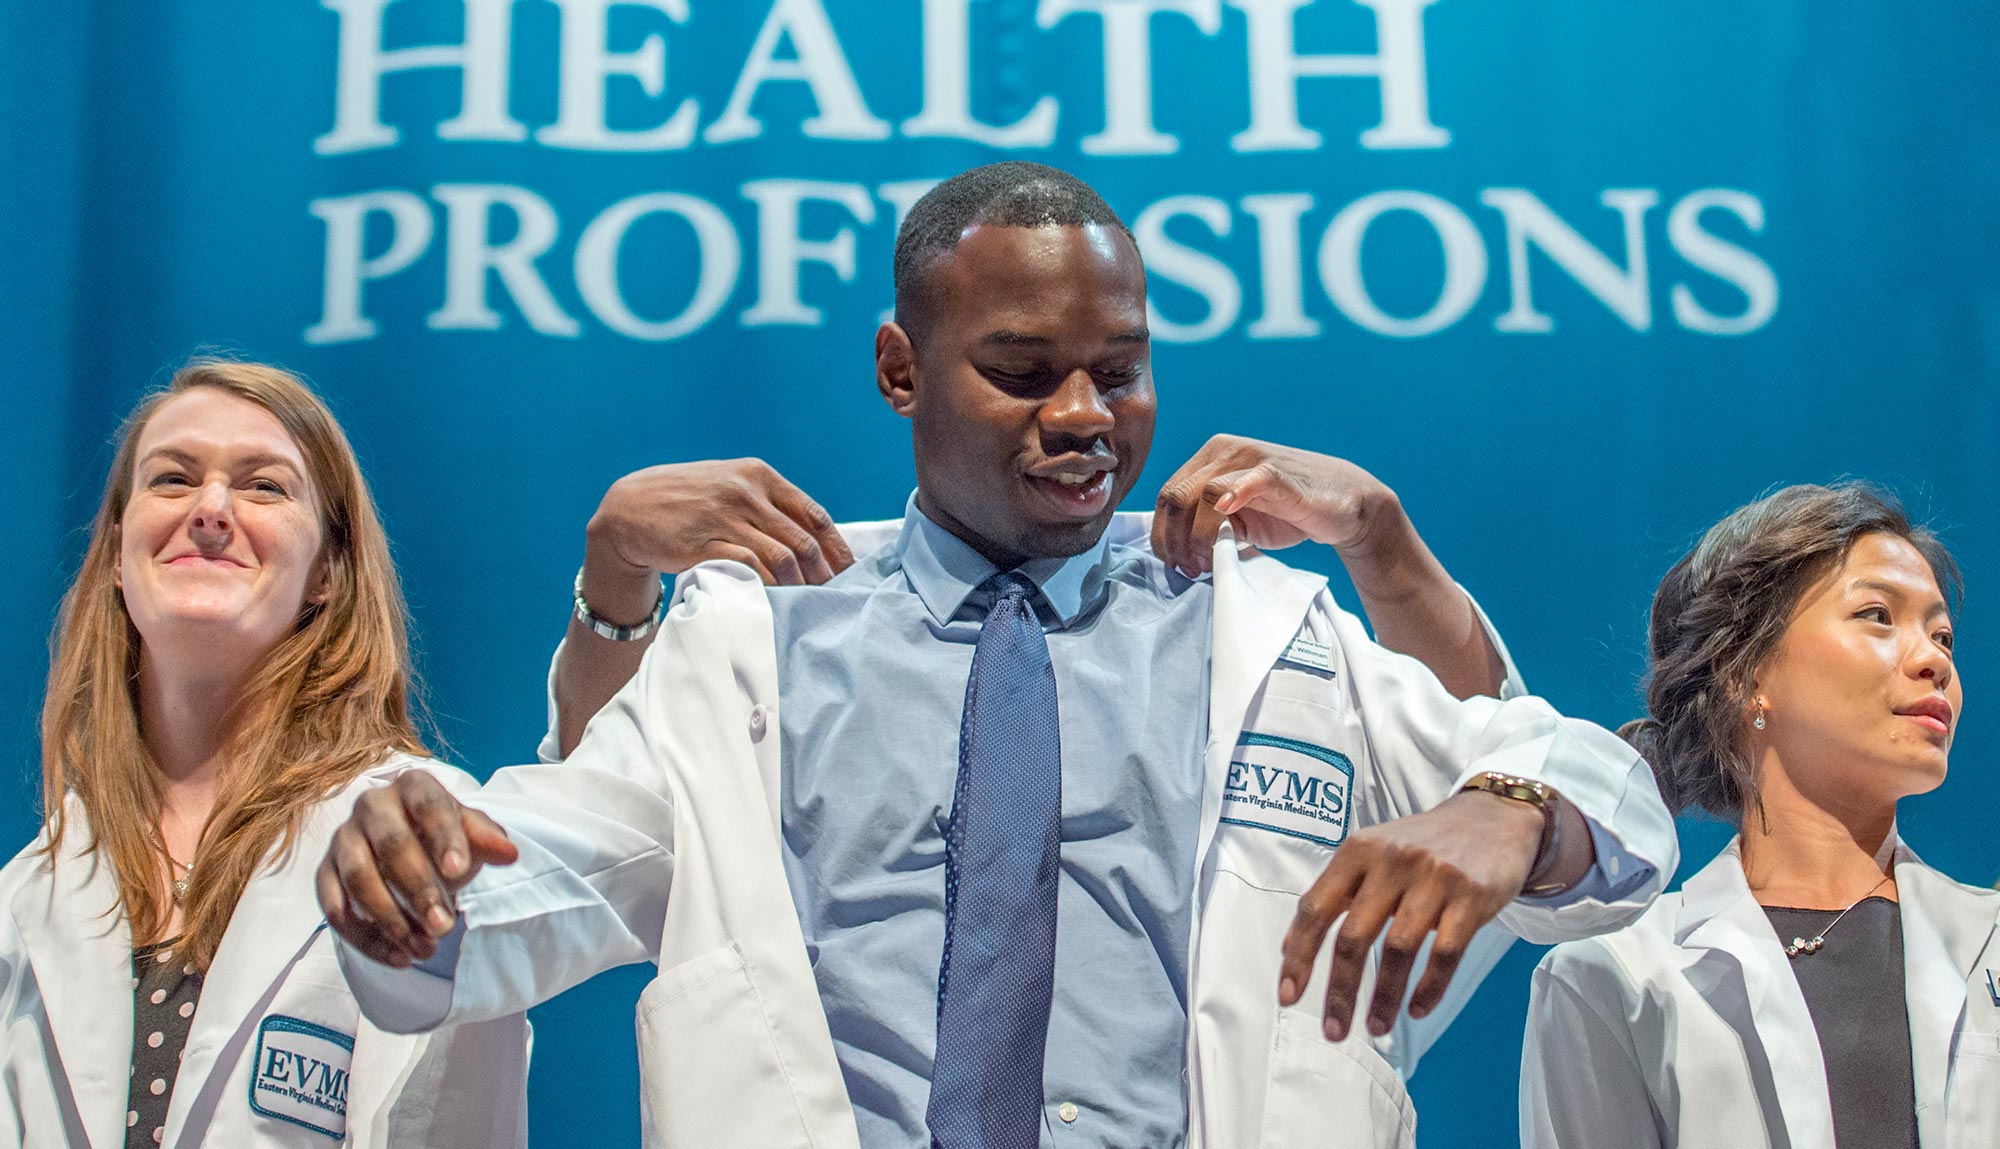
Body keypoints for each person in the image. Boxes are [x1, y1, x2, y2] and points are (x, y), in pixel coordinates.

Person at [317, 162, 1678, 1148]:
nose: (1087, 414)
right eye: (1023, 372)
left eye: (1123, 368)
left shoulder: (1257, 618)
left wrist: (1512, 811)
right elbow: (543, 867)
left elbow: (1592, 797)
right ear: (902, 370)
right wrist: (410, 870)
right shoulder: (757, 640)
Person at [0, 360, 530, 1148]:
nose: (211, 509)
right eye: (173, 479)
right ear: (117, 555)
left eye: (263, 487)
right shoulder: (23, 896)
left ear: (325, 572)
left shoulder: (413, 834)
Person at [1520, 483, 2000, 1147]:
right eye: (1878, 616)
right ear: (1745, 673)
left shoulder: (1991, 941)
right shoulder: (1618, 977)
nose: (1934, 661)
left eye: (1942, 634)